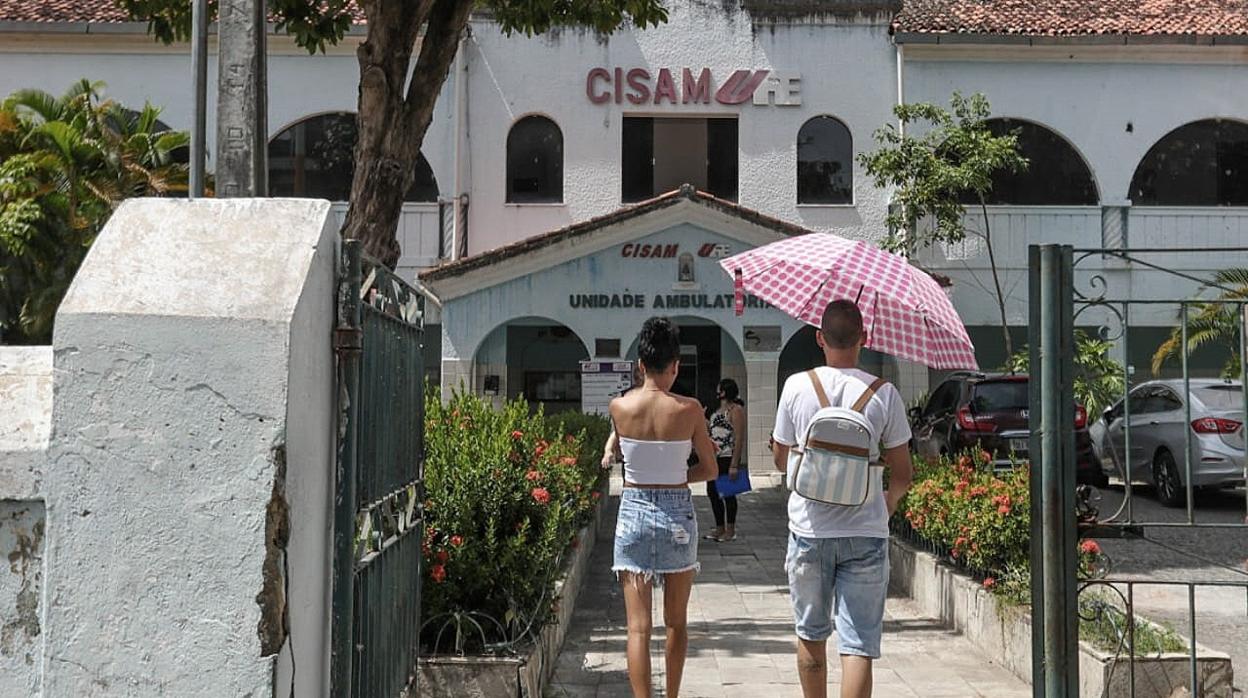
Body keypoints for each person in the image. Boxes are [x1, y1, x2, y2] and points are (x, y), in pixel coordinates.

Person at [770, 300, 914, 698]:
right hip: (866, 532)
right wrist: (887, 503)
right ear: (864, 339)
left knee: (811, 636)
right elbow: (903, 474)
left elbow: (783, 460)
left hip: (809, 531)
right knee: (858, 646)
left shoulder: (796, 387)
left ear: (819, 338)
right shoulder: (884, 394)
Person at [607, 317, 718, 698]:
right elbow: (711, 467)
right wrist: (679, 479)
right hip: (677, 516)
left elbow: (621, 451)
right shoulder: (690, 409)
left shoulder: (619, 407)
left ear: (640, 365)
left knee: (637, 628)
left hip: (633, 509)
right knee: (676, 623)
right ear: (676, 365)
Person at [704, 378, 746, 542]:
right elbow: (714, 429)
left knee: (728, 493)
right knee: (712, 492)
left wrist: (735, 464)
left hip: (727, 457)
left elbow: (739, 437)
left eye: (719, 388)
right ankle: (719, 527)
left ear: (724, 391)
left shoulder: (736, 410)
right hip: (714, 456)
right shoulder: (718, 411)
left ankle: (730, 529)